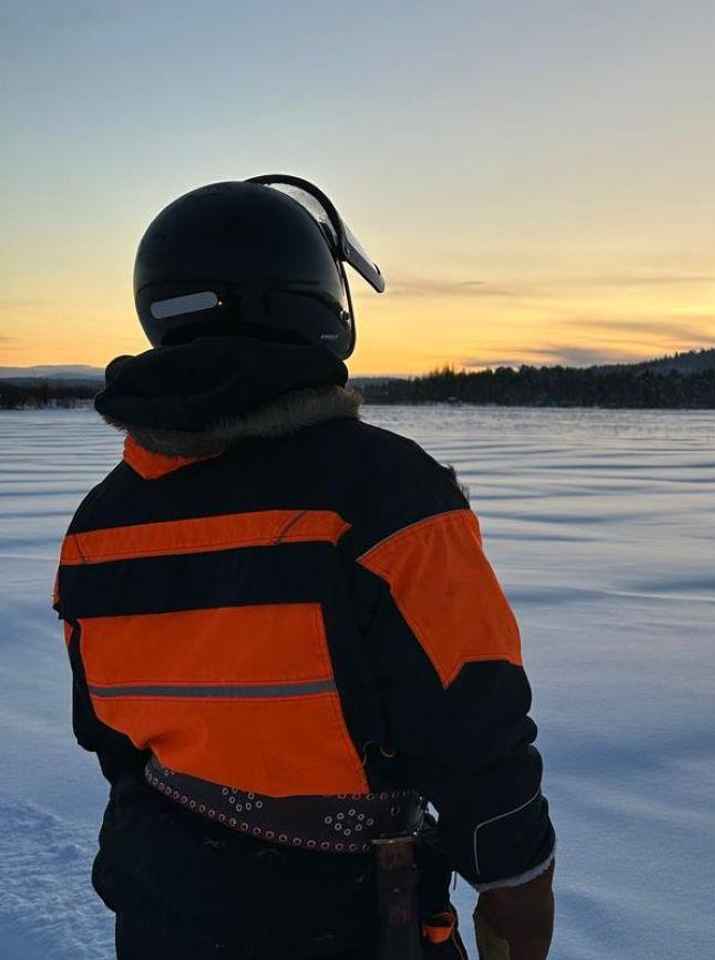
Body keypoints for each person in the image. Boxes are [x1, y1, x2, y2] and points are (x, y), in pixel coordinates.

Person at [52, 176, 556, 959]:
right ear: (313, 298)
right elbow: (475, 726)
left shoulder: (99, 525)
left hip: (163, 897)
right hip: (347, 915)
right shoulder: (387, 493)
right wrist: (518, 885)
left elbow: (110, 738)